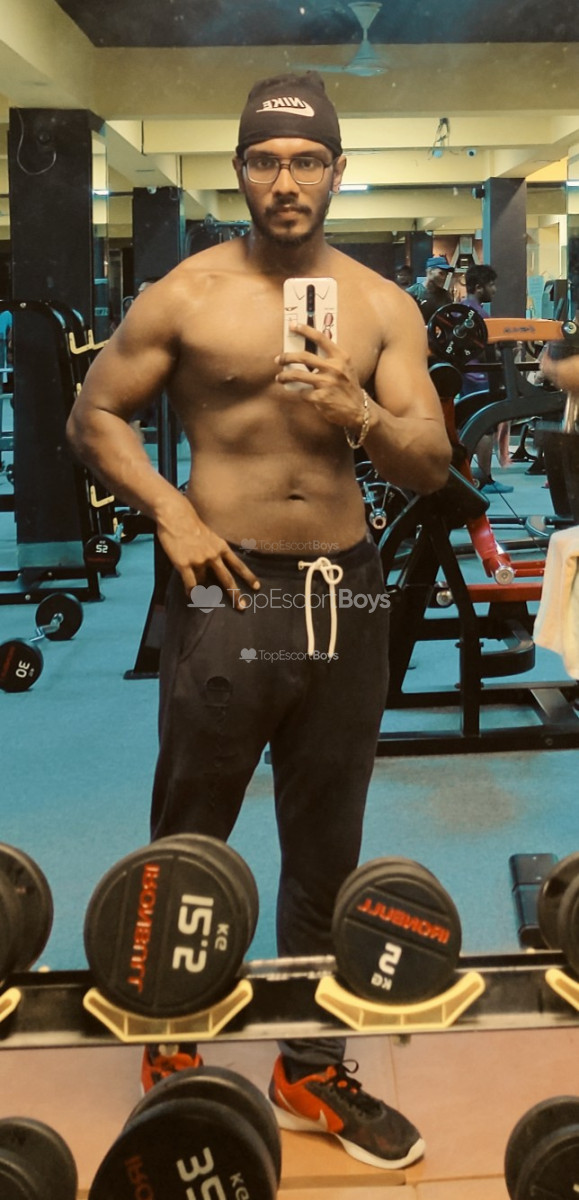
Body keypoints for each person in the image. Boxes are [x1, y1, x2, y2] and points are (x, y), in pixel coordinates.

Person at [67, 71, 451, 1172]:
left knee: (329, 836)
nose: (287, 181)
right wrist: (172, 511)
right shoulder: (185, 294)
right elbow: (95, 415)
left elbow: (430, 463)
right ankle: (170, 1036)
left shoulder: (381, 306)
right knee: (195, 821)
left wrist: (360, 413)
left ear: (336, 170)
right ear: (240, 170)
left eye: (307, 160)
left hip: (346, 592)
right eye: (266, 161)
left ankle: (310, 1066)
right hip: (224, 587)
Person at [459, 264, 513, 495]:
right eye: (491, 285)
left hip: (468, 377)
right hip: (480, 378)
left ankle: (466, 477)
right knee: (486, 428)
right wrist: (506, 353)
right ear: (479, 287)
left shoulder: (462, 309)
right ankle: (485, 479)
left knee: (473, 426)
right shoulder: (479, 315)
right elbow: (482, 351)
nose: (495, 289)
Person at [407, 254, 453, 322]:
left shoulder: (446, 296)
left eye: (446, 275)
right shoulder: (412, 293)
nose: (444, 278)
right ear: (429, 271)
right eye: (441, 273)